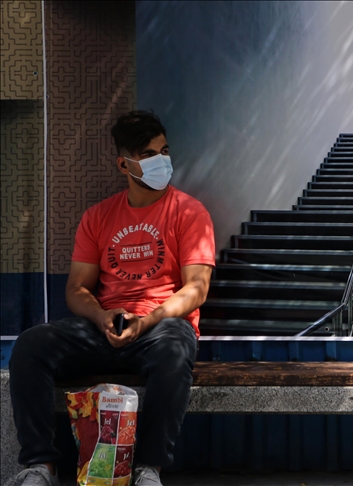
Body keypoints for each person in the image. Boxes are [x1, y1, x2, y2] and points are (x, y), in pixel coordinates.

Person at [9, 110, 216, 486]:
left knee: (175, 350)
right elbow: (77, 289)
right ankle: (41, 466)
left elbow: (196, 289)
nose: (161, 161)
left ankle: (148, 468)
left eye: (164, 151)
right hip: (106, 325)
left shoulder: (189, 212)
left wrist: (148, 319)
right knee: (30, 345)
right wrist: (101, 315)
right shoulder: (98, 217)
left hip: (161, 326)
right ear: (124, 164)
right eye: (149, 155)